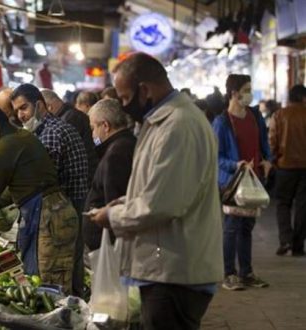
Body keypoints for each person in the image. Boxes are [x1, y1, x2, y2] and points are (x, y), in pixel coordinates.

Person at [90, 53, 223, 330]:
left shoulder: (178, 125)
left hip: (175, 271)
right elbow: (162, 185)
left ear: (144, 90)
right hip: (166, 267)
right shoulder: (163, 121)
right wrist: (124, 202)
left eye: (126, 99)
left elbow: (162, 203)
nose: (125, 107)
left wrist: (113, 217)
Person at [0, 101, 78, 293]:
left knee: (45, 286)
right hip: (57, 211)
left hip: (45, 217)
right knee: (51, 281)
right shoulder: (23, 136)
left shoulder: (3, 149)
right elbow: (16, 187)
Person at [11, 83, 89, 297]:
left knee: (55, 281)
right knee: (69, 273)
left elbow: (39, 181)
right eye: (17, 110)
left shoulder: (51, 133)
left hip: (61, 215)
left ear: (39, 105)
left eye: (23, 108)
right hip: (65, 214)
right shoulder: (50, 129)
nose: (21, 115)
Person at [212, 74, 272, 291]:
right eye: (246, 89)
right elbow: (215, 156)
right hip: (232, 182)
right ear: (234, 93)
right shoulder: (222, 122)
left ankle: (246, 272)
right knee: (231, 228)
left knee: (247, 227)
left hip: (254, 180)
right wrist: (234, 165)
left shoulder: (255, 116)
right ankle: (229, 273)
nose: (249, 93)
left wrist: (267, 160)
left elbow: (263, 144)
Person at [83, 99, 136, 251]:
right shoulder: (125, 144)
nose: (93, 134)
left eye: (93, 128)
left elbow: (114, 201)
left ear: (105, 126)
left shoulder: (117, 153)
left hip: (109, 246)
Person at [270, 84, 306, 257]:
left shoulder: (279, 115)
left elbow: (273, 141)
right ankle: (298, 245)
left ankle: (286, 240)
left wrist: (274, 159)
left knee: (283, 203)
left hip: (285, 166)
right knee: (303, 206)